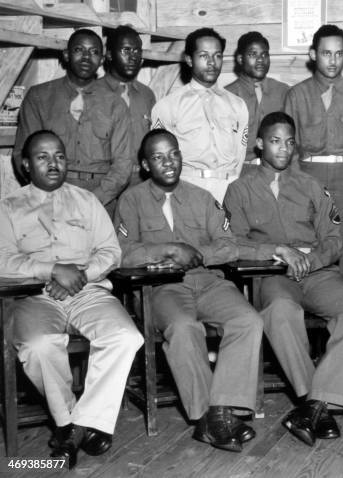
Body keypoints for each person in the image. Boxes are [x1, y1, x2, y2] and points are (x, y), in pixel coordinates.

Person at [224, 112, 343, 447]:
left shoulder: (311, 185)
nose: (284, 149)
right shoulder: (239, 189)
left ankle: (313, 406)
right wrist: (277, 249)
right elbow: (232, 243)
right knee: (280, 311)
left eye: (290, 142)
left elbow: (333, 238)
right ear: (260, 144)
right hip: (272, 274)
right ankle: (316, 401)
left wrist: (311, 258)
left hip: (317, 273)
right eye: (275, 141)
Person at [0, 130, 143, 468]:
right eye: (42, 157)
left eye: (60, 156)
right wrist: (51, 270)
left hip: (87, 291)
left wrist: (79, 275)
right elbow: (2, 259)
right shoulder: (7, 207)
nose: (53, 163)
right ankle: (69, 421)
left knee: (126, 337)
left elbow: (111, 252)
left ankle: (77, 426)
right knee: (39, 345)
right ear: (25, 165)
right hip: (33, 295)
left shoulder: (86, 200)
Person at [115, 129, 263, 453]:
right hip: (160, 288)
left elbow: (229, 246)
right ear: (144, 164)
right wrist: (169, 250)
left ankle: (223, 410)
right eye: (158, 157)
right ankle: (208, 417)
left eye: (174, 154)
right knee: (184, 327)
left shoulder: (201, 197)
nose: (168, 162)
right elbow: (122, 254)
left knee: (248, 320)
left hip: (208, 281)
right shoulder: (132, 200)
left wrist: (195, 253)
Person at [284, 24, 343, 281]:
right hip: (308, 177)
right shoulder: (296, 95)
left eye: (339, 54)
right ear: (313, 54)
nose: (333, 60)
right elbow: (289, 152)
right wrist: (294, 194)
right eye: (327, 53)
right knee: (308, 242)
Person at [13, 29, 131, 215]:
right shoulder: (39, 97)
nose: (86, 57)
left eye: (94, 52)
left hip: (100, 200)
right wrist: (50, 195)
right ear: (66, 55)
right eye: (79, 50)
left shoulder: (116, 104)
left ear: (101, 60)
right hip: (49, 197)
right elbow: (22, 154)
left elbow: (123, 165)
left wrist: (93, 200)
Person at [151, 28, 248, 203]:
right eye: (204, 55)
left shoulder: (237, 105)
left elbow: (240, 155)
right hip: (189, 190)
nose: (212, 62)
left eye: (217, 56)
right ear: (189, 59)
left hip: (229, 189)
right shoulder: (168, 106)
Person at [226, 32, 289, 173]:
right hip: (240, 171)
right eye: (253, 54)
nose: (260, 60)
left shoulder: (283, 91)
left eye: (264, 55)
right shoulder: (227, 95)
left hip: (276, 171)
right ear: (240, 59)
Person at [100, 25, 156, 185]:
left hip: (141, 182)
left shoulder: (147, 95)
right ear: (109, 54)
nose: (133, 57)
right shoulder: (92, 93)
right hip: (105, 181)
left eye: (137, 51)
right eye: (126, 50)